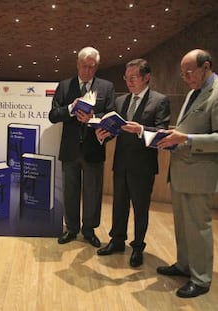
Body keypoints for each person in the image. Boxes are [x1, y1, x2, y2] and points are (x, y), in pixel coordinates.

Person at [95, 59, 171, 267]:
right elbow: (116, 130)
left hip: (143, 166)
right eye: (126, 78)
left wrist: (141, 130)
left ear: (147, 77)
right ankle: (117, 241)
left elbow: (163, 133)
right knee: (119, 205)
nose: (129, 82)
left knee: (140, 209)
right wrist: (103, 135)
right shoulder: (121, 101)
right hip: (121, 163)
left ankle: (137, 247)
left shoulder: (159, 101)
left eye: (133, 77)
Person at [156, 49, 218, 298]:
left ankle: (201, 278)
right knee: (182, 225)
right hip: (182, 170)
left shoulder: (216, 94)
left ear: (207, 66)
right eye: (183, 75)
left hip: (200, 173)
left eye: (189, 72)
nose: (187, 78)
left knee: (198, 227)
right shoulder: (194, 92)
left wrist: (187, 138)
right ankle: (184, 265)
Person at [49, 46, 115, 247]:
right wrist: (70, 108)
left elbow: (112, 116)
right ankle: (71, 228)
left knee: (93, 192)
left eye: (92, 67)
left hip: (94, 148)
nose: (87, 71)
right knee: (70, 191)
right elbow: (53, 115)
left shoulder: (106, 87)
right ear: (77, 64)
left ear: (97, 67)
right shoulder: (64, 86)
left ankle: (89, 230)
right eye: (84, 66)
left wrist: (92, 118)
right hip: (70, 149)